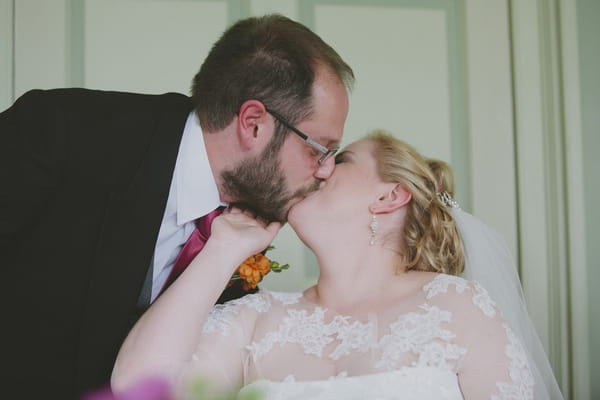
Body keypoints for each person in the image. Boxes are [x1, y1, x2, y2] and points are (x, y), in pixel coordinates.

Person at [0, 14, 354, 399]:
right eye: (319, 148)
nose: (326, 170)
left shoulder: (252, 216)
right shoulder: (60, 132)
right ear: (253, 123)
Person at [111, 131, 563, 399]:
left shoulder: (456, 306)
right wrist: (222, 250)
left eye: (341, 159)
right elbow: (137, 387)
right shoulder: (254, 319)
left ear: (389, 196)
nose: (319, 169)